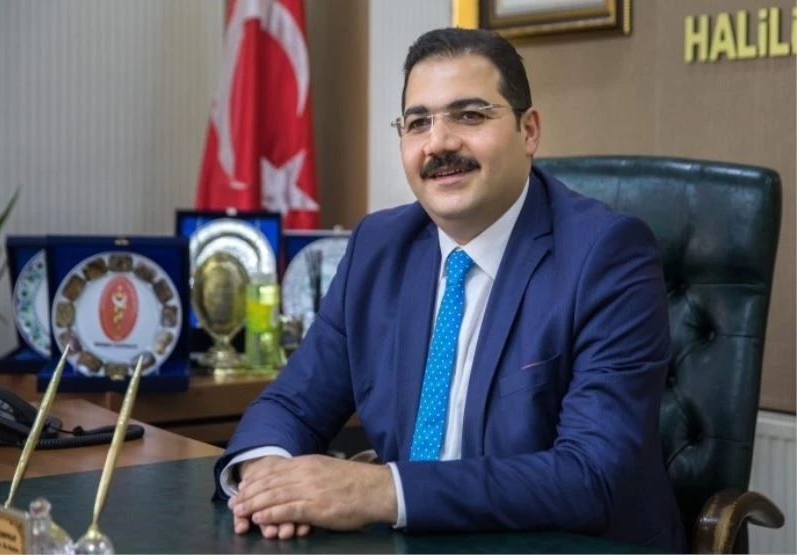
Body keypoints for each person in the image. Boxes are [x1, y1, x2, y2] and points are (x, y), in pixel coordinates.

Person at [215, 27, 686, 552]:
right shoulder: (378, 246)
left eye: (470, 115)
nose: (438, 143)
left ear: (529, 131)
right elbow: (291, 405)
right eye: (418, 122)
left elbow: (589, 476)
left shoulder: (607, 255)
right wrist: (267, 476)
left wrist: (383, 491)